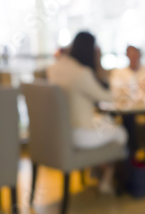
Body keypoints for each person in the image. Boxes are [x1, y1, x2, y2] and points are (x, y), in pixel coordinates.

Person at [47, 32, 127, 194]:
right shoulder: (82, 73)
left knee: (106, 122)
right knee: (120, 132)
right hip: (80, 135)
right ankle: (106, 180)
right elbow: (107, 97)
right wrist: (99, 66)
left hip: (61, 132)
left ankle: (96, 173)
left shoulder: (54, 68)